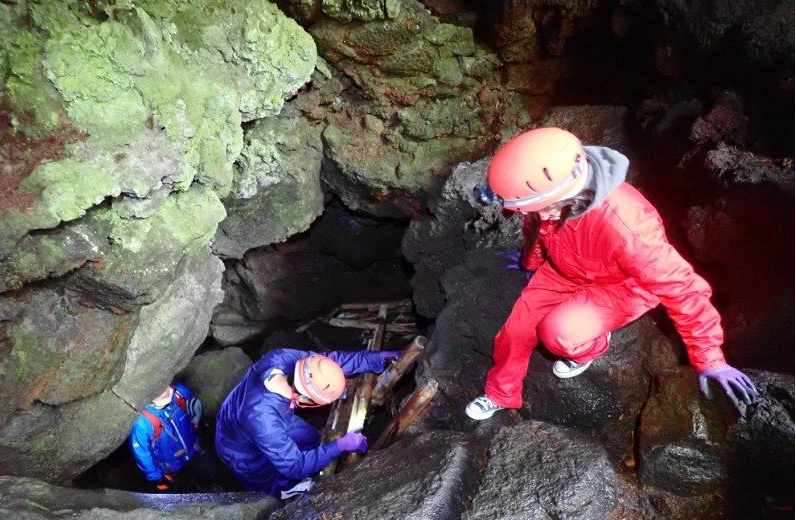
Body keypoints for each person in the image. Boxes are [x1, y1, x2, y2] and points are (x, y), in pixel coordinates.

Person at [465, 127, 758, 420]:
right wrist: (530, 262)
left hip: (622, 286)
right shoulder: (548, 197)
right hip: (563, 268)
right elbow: (537, 231)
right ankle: (501, 394)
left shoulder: (627, 226)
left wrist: (710, 359)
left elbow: (683, 288)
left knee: (558, 335)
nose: (541, 215)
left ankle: (592, 347)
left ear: (572, 190)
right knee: (514, 331)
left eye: (546, 208)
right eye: (534, 209)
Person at [215, 348, 399, 498]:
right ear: (304, 400)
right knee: (265, 479)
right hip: (238, 445)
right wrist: (340, 445)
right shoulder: (262, 420)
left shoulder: (281, 358)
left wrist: (373, 358)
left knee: (309, 438)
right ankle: (284, 493)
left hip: (269, 413)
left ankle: (304, 467)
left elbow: (326, 363)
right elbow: (294, 466)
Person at [129, 381, 217, 491]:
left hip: (194, 448)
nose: (159, 389)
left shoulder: (180, 392)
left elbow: (194, 403)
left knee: (211, 474)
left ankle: (210, 485)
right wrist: (156, 477)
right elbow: (143, 454)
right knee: (182, 491)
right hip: (171, 468)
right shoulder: (142, 423)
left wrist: (197, 421)